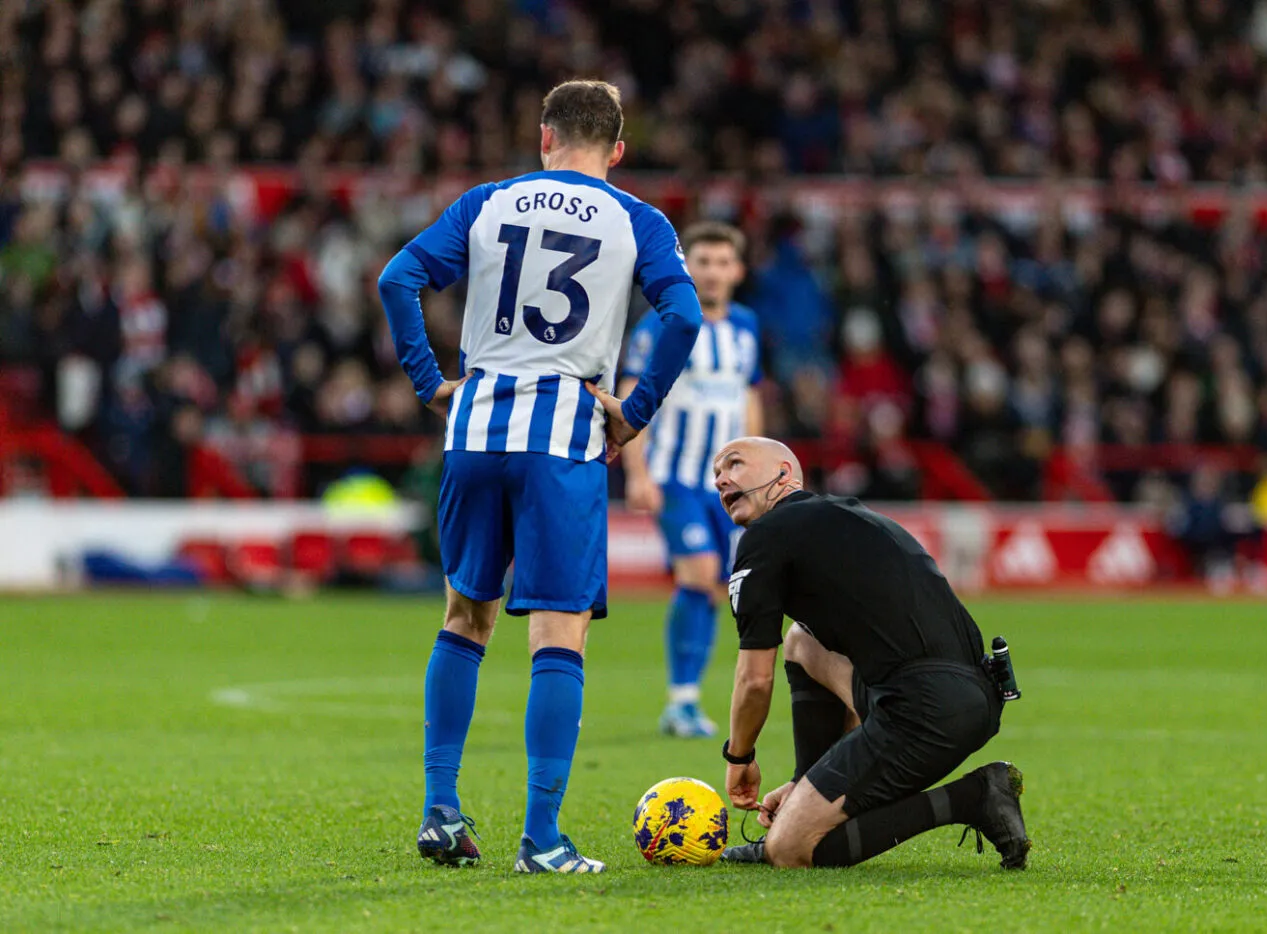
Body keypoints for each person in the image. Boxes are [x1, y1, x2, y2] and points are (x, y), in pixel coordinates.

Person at [376, 79, 701, 873]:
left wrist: (430, 383)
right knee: (559, 635)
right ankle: (542, 839)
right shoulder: (637, 221)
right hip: (564, 435)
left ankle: (440, 812)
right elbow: (685, 316)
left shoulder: (490, 200)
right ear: (618, 151)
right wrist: (636, 409)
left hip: (477, 426)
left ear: (544, 136)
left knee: (464, 618)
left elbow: (397, 280)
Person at [708, 437, 1030, 869]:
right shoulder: (848, 514)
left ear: (784, 474)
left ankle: (972, 798)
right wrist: (807, 787)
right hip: (971, 693)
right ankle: (807, 783)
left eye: (734, 464)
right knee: (802, 642)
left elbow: (755, 679)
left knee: (788, 850)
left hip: (922, 711)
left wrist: (740, 757)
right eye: (716, 474)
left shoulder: (765, 537)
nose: (721, 479)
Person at [618, 221, 763, 738]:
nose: (714, 272)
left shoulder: (746, 327)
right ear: (687, 268)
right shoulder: (661, 324)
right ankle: (680, 701)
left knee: (720, 585)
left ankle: (689, 698)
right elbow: (633, 396)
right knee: (699, 572)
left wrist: (760, 471)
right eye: (703, 262)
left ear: (738, 271)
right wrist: (637, 473)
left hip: (727, 486)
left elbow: (749, 397)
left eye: (724, 262)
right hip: (675, 477)